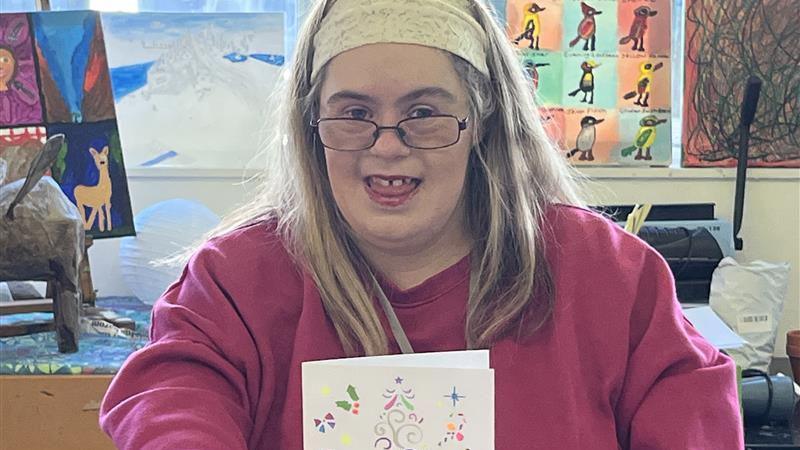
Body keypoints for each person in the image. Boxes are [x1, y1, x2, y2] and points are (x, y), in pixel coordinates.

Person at [99, 0, 743, 448]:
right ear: (310, 125)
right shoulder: (235, 281)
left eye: (424, 112)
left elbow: (690, 404)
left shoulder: (605, 275)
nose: (386, 145)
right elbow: (172, 393)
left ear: (481, 122)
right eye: (353, 113)